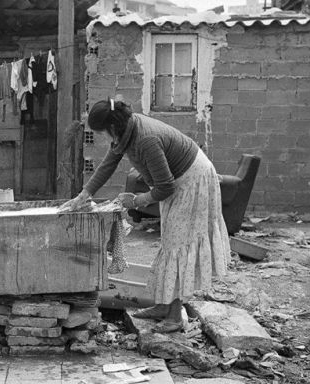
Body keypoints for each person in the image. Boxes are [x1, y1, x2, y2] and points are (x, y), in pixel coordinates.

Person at [61, 97, 230, 333]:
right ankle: (164, 306)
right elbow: (108, 165)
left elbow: (165, 187)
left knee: (178, 246)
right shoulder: (126, 130)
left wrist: (137, 201)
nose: (102, 138)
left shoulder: (146, 139)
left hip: (193, 180)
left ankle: (173, 316)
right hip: (178, 179)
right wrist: (84, 195)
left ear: (111, 127)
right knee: (171, 243)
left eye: (101, 133)